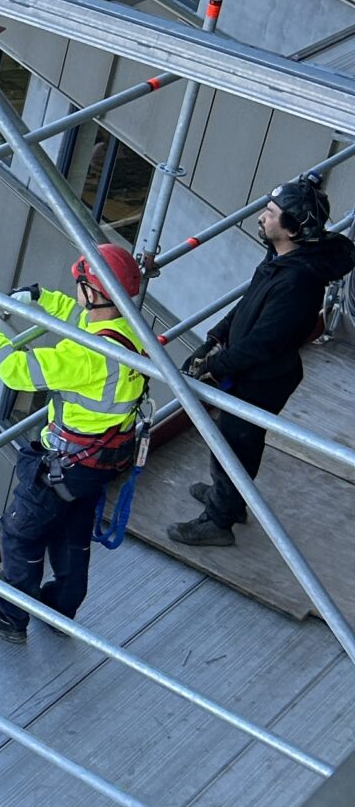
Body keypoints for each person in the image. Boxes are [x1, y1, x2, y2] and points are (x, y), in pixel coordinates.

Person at [0, 244, 149, 643]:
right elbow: (82, 319)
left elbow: (16, 370)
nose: (75, 289)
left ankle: (10, 617)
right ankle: (61, 608)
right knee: (71, 531)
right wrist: (42, 298)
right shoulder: (127, 331)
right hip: (100, 461)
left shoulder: (86, 354)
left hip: (67, 463)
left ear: (93, 292)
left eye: (79, 283)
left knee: (20, 531)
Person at [168, 174, 353, 549]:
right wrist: (214, 339)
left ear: (293, 228)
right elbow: (249, 301)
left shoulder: (298, 280)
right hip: (255, 372)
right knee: (232, 440)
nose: (262, 217)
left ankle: (219, 522)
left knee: (237, 444)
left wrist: (216, 366)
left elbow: (263, 344)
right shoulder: (283, 258)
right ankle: (230, 500)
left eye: (271, 213)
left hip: (263, 379)